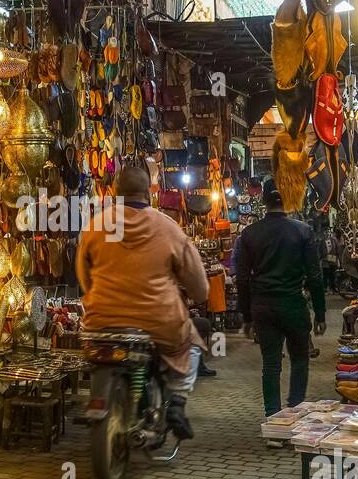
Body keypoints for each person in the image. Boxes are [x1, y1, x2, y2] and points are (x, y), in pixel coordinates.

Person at [76, 165, 209, 440]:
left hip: (102, 319)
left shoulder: (96, 226)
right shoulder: (168, 228)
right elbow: (199, 286)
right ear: (149, 192)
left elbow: (83, 276)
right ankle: (178, 403)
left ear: (113, 192)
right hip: (159, 321)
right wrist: (197, 295)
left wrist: (94, 298)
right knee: (192, 344)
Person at [236, 186, 327, 414]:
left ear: (263, 202)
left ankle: (274, 418)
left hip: (263, 307)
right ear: (287, 200)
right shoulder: (303, 232)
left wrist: (246, 317)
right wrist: (320, 313)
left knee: (271, 364)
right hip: (293, 303)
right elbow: (315, 276)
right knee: (299, 359)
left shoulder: (249, 234)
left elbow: (242, 279)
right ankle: (294, 411)